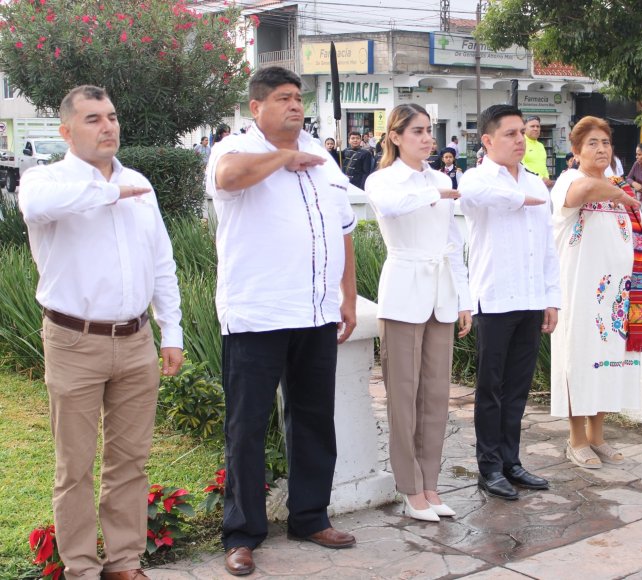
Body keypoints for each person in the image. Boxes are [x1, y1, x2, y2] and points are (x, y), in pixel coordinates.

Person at [19, 85, 184, 580]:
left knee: (130, 461)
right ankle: (81, 568)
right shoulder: (44, 181)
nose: (108, 126)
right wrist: (108, 191)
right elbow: (37, 209)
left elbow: (161, 261)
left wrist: (170, 330)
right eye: (93, 119)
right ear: (66, 131)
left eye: (111, 116)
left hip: (136, 342)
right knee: (75, 468)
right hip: (74, 341)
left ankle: (124, 562)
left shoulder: (138, 182)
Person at [206, 67, 359, 576]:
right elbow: (229, 180)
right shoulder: (234, 149)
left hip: (315, 310)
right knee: (247, 425)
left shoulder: (323, 159)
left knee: (313, 417)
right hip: (258, 312)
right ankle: (243, 533)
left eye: (299, 98)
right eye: (283, 98)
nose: (295, 106)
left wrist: (348, 296)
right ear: (256, 107)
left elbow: (344, 229)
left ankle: (310, 516)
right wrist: (282, 159)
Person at [364, 104, 473, 522]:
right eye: (417, 131)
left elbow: (452, 244)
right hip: (404, 291)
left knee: (436, 397)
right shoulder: (383, 179)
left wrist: (464, 299)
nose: (427, 138)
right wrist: (437, 193)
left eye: (430, 131)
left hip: (441, 294)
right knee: (403, 397)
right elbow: (392, 207)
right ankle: (409, 488)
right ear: (395, 136)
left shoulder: (440, 178)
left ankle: (431, 483)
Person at [459, 104, 560, 500]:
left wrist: (551, 298)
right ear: (487, 141)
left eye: (523, 133)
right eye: (510, 134)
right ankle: (488, 467)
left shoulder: (535, 182)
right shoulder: (476, 178)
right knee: (491, 388)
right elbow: (476, 193)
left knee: (517, 388)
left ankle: (511, 461)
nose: (520, 140)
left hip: (532, 296)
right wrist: (519, 198)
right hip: (496, 298)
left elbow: (547, 248)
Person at [549, 116, 642, 469]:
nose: (601, 148)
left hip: (615, 298)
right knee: (578, 362)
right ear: (575, 151)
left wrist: (619, 191)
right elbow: (584, 193)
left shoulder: (617, 184)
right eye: (592, 143)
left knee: (607, 364)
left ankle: (597, 436)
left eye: (605, 142)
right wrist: (620, 193)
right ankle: (575, 440)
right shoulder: (570, 180)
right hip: (579, 293)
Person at [522, 115, 554, 187]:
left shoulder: (541, 145)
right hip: (528, 185)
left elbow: (544, 166)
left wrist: (547, 178)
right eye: (532, 126)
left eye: (538, 126)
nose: (536, 129)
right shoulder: (521, 143)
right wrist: (540, 178)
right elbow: (521, 166)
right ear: (524, 129)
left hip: (543, 186)